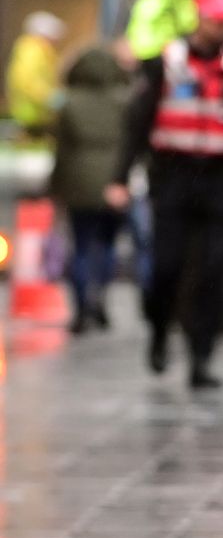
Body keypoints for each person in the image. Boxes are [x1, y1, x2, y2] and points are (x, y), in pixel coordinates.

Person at [105, 0, 223, 389]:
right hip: (173, 178)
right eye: (218, 20)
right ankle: (160, 332)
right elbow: (137, 124)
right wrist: (118, 178)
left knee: (214, 271)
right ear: (200, 20)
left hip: (219, 179)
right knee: (166, 267)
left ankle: (201, 359)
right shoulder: (165, 62)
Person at [48, 45, 132, 333]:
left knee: (81, 246)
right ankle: (101, 301)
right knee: (107, 245)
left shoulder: (69, 103)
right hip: (114, 182)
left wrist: (55, 187)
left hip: (79, 182)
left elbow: (61, 151)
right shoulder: (124, 101)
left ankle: (81, 308)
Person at [7, 11, 66, 136]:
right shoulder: (31, 51)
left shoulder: (43, 52)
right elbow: (26, 81)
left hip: (39, 113)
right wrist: (48, 97)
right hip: (30, 113)